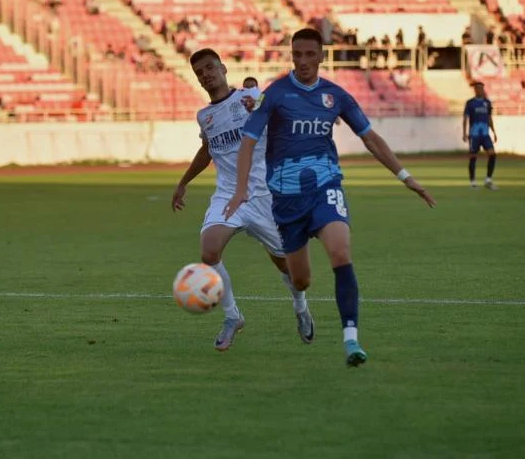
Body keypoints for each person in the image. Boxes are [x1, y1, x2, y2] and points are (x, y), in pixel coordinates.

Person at [224, 29, 436, 367]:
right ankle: (301, 306)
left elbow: (371, 138)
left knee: (340, 252)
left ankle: (351, 340)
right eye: (298, 54)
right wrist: (240, 190)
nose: (304, 61)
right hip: (286, 198)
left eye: (310, 54)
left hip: (326, 186)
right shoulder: (275, 94)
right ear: (291, 55)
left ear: (322, 55)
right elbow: (249, 141)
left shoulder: (336, 96)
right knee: (302, 279)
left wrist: (405, 176)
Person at [171, 48, 313, 352]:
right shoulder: (205, 116)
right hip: (227, 196)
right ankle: (233, 316)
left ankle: (300, 307)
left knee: (288, 268)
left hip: (264, 196)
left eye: (210, 68)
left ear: (223, 68)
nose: (206, 75)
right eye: (200, 73)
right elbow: (207, 151)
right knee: (209, 252)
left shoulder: (249, 99)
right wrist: (183, 182)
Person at [462, 81, 498, 190]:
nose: (479, 90)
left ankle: (488, 180)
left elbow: (489, 118)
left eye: (481, 88)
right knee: (473, 157)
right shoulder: (470, 103)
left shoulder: (487, 102)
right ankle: (472, 182)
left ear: (483, 89)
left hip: (485, 134)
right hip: (474, 135)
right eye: (477, 88)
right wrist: (464, 133)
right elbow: (465, 118)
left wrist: (494, 132)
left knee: (492, 154)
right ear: (475, 90)